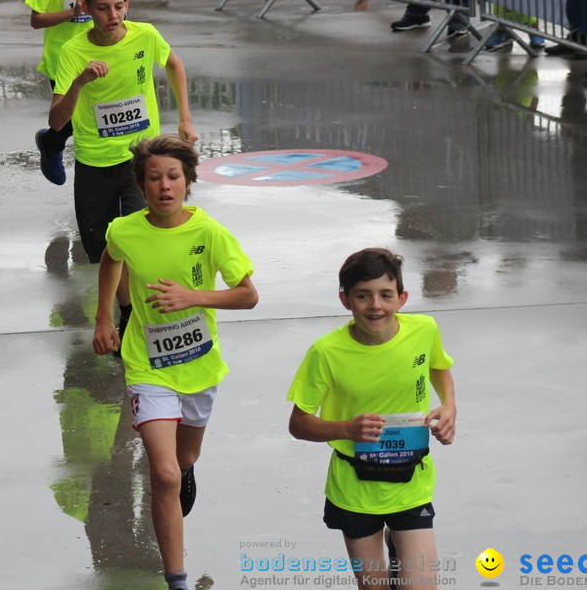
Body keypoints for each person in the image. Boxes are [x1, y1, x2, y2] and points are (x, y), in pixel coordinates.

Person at [92, 135, 258, 590]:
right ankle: (177, 579)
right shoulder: (125, 230)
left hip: (200, 367)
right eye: (154, 178)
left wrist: (193, 296)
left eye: (173, 177)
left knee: (183, 459)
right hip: (146, 366)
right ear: (142, 186)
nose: (164, 186)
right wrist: (104, 317)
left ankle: (187, 468)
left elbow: (248, 295)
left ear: (187, 182)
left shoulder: (209, 233)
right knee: (162, 474)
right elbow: (111, 259)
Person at [287, 248, 456, 589]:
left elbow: (439, 365)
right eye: (363, 296)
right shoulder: (326, 353)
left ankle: (400, 541)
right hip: (355, 487)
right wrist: (345, 428)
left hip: (411, 482)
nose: (375, 305)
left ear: (402, 298)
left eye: (385, 295)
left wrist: (449, 405)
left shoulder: (424, 330)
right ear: (345, 300)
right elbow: (298, 422)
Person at [50, 0, 196, 335]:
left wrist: (184, 120)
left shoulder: (145, 34)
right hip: (94, 160)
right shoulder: (73, 52)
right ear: (87, 8)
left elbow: (174, 64)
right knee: (102, 249)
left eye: (118, 7)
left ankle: (134, 318)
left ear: (127, 5)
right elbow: (56, 120)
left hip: (141, 158)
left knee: (136, 240)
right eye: (102, 8)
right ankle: (126, 306)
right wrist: (80, 82)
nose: (112, 15)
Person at [27, 0, 118, 186]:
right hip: (64, 57)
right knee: (69, 119)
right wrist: (72, 13)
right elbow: (35, 20)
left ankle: (104, 176)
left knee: (98, 116)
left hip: (100, 53)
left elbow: (119, 6)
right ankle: (52, 145)